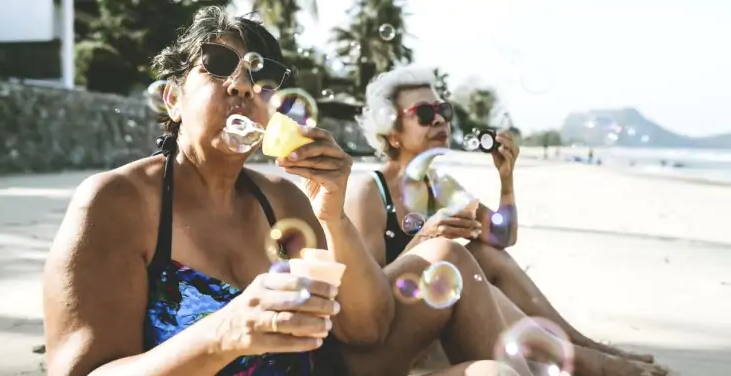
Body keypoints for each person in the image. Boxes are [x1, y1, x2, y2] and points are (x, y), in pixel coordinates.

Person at [41, 6, 532, 376]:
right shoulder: (116, 203)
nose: (242, 86)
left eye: (262, 78)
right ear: (172, 98)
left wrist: (333, 214)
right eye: (215, 64)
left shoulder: (283, 199)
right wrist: (225, 333)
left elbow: (368, 331)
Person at [346, 65, 668, 375]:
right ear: (393, 134)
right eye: (425, 114)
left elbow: (501, 236)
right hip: (397, 334)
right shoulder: (369, 193)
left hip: (436, 315)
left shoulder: (439, 185)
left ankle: (583, 345)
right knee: (467, 272)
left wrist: (506, 179)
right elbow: (367, 301)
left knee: (487, 255)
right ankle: (585, 360)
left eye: (443, 110)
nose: (440, 121)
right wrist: (424, 240)